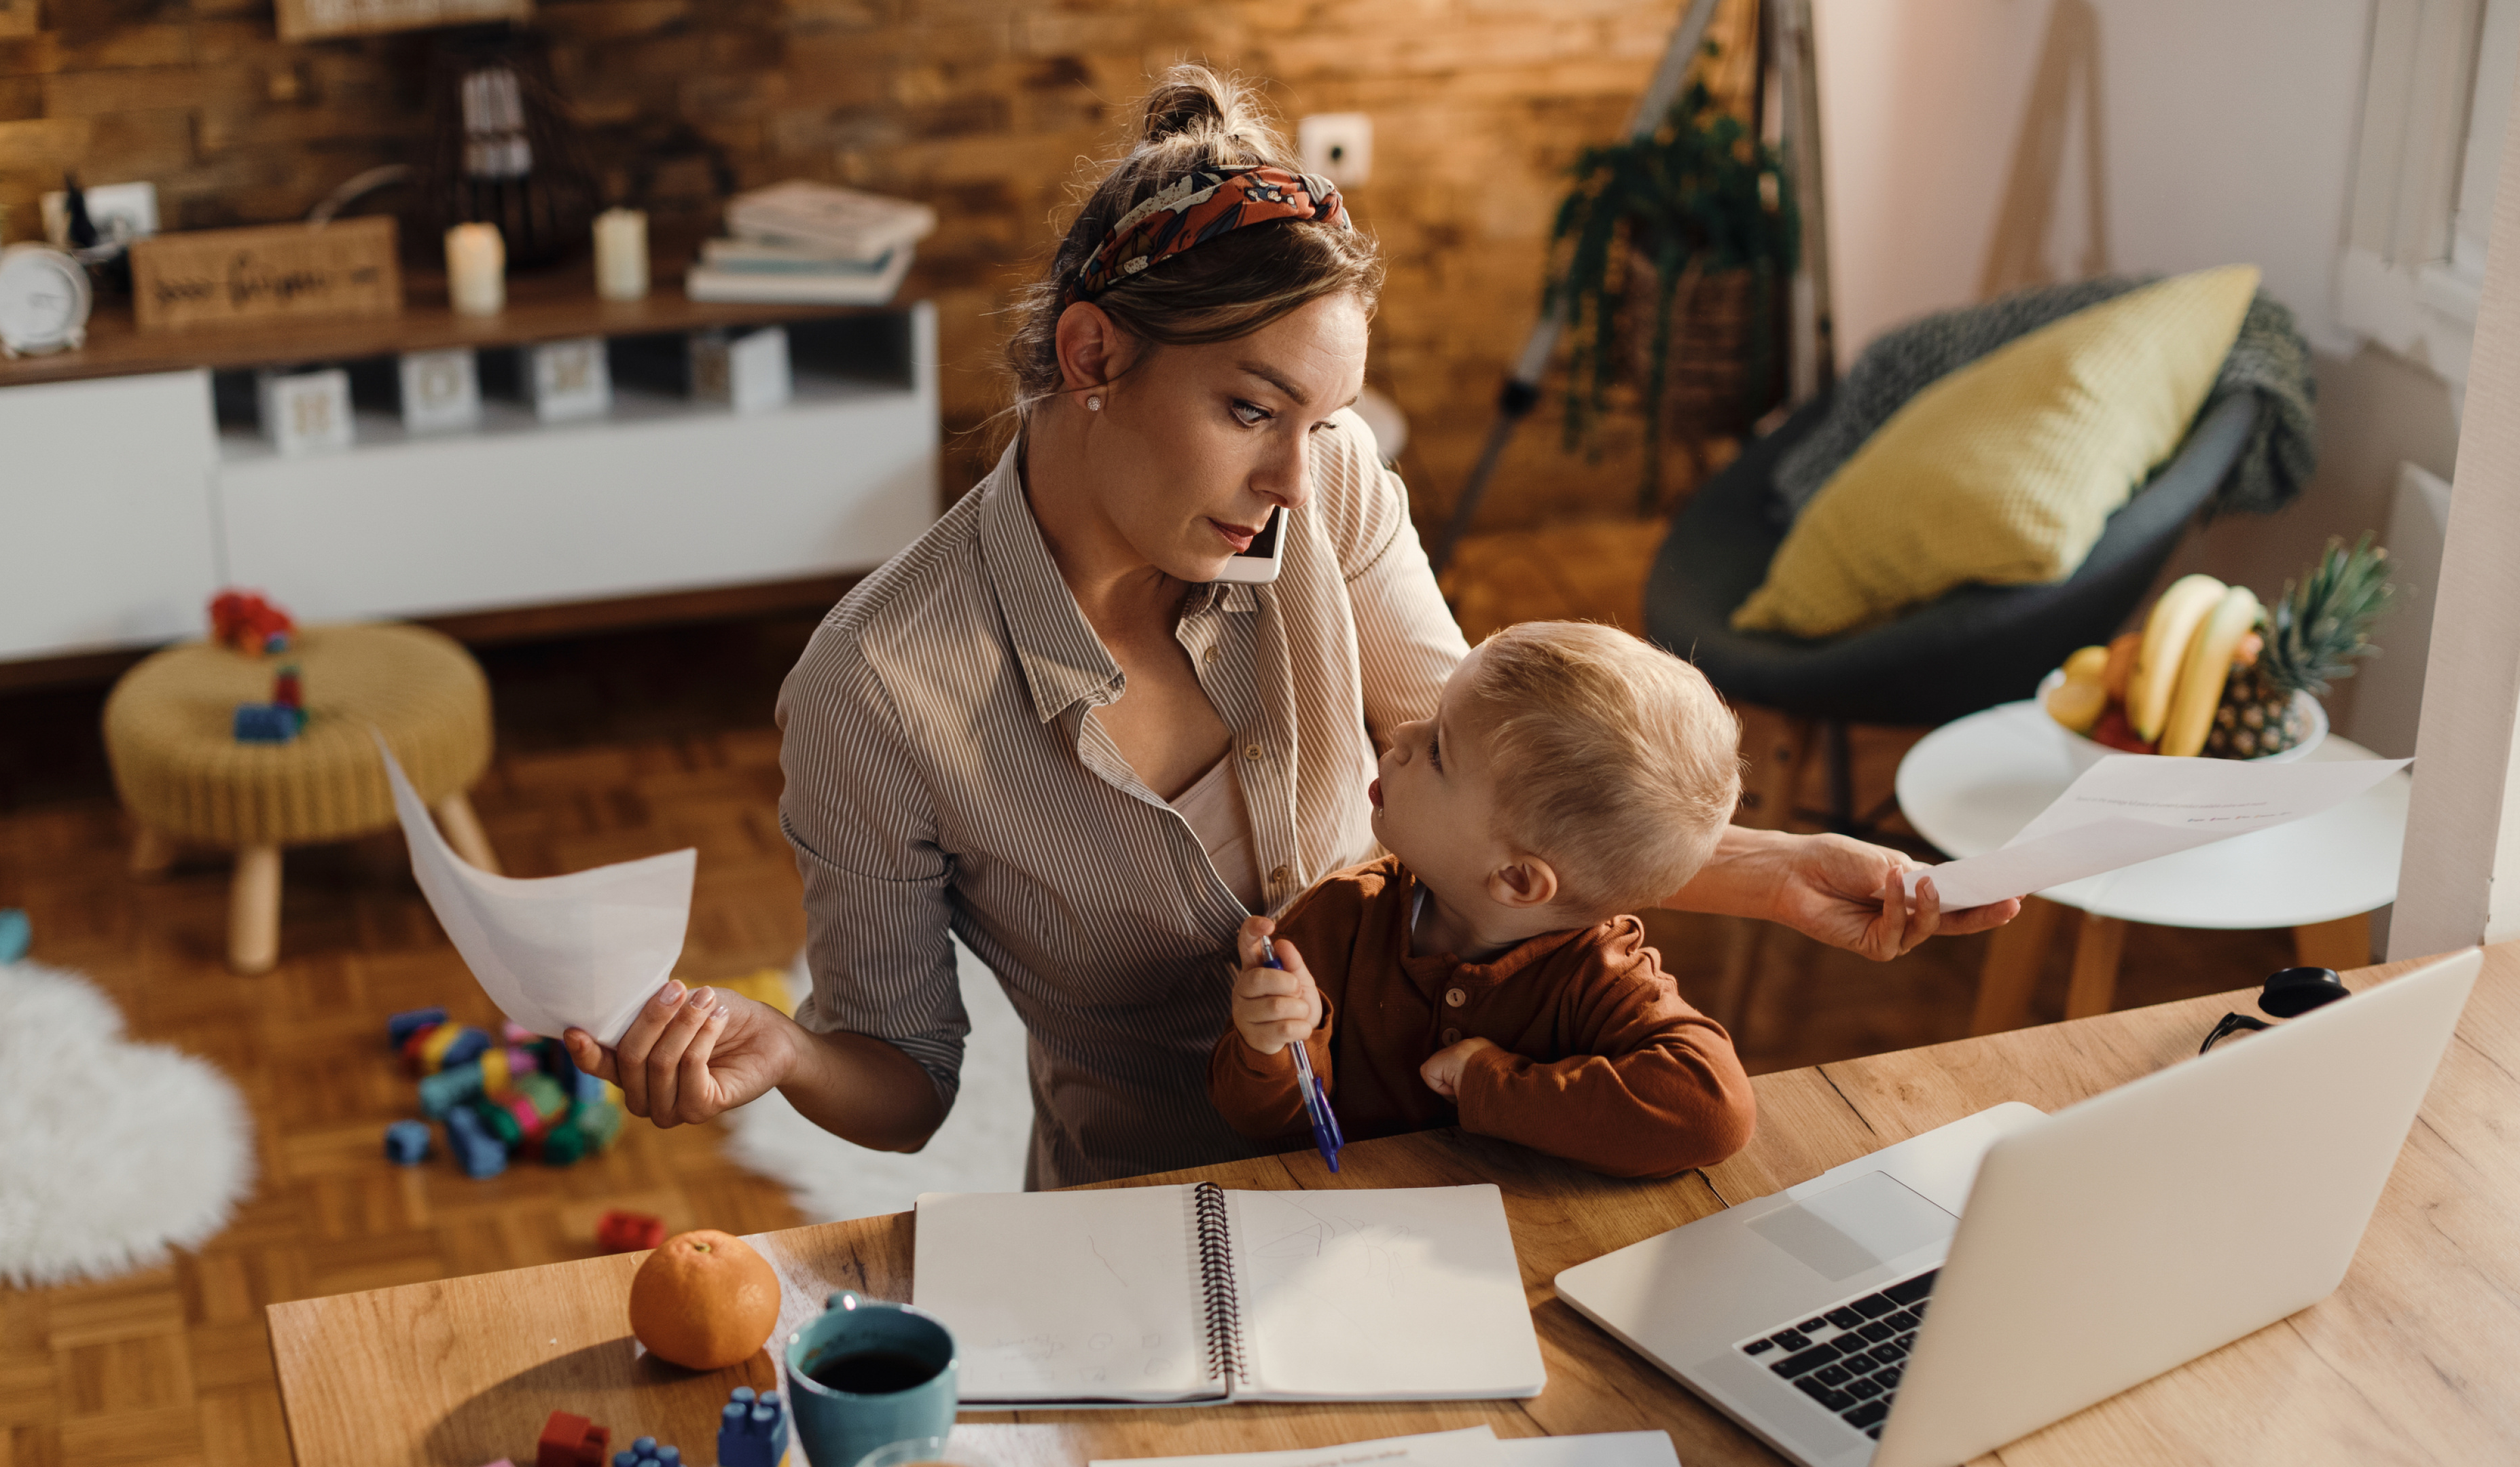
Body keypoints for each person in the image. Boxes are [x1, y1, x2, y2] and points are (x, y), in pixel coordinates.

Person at [562, 67, 2017, 1189]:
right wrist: (792, 1056)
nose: (1292, 477)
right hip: (1149, 1214)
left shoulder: (1326, 488)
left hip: (1429, 1168)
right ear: (1093, 356)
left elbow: (1498, 769)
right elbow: (911, 1083)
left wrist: (1765, 875)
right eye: (1253, 410)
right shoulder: (877, 690)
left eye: (1319, 422)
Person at [1210, 621, 1754, 1178]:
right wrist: (1271, 1046)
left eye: (1439, 752)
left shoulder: (1603, 976)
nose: (1401, 735)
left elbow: (1716, 1111)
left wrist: (1493, 1085)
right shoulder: (1339, 919)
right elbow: (1254, 1118)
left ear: (1518, 880)